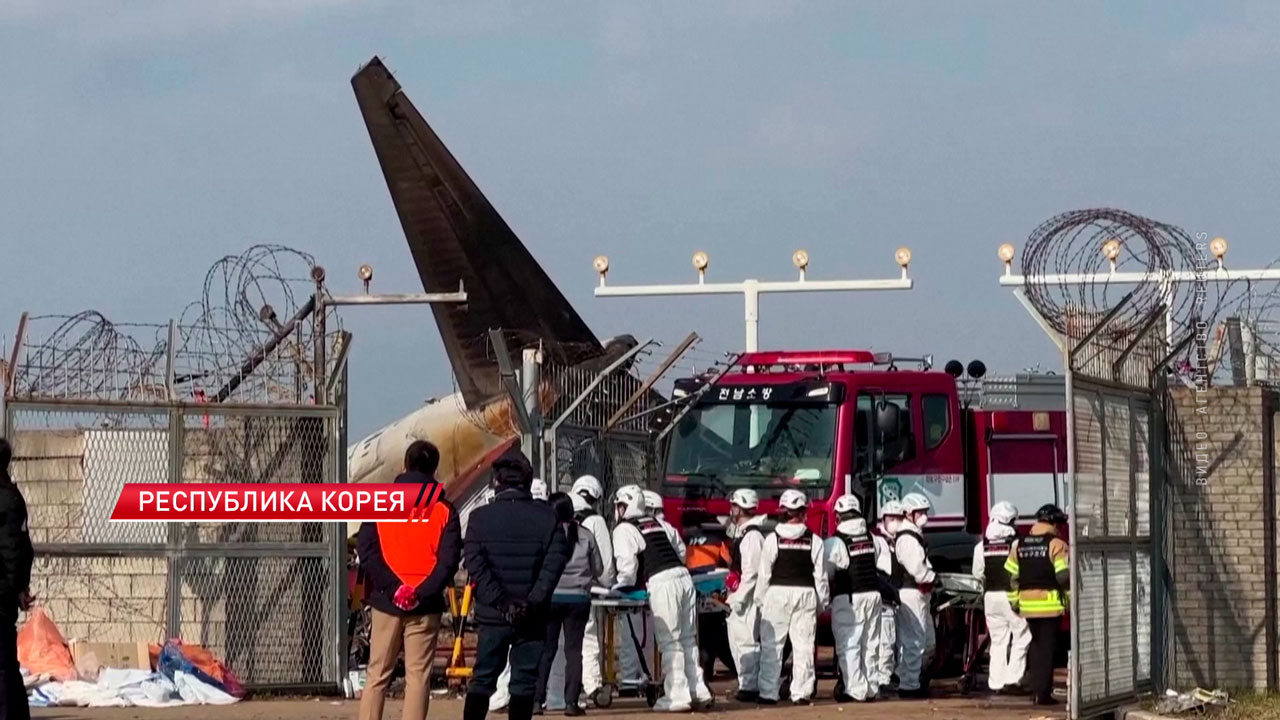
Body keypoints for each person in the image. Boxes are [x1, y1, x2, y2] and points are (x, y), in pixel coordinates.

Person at [463, 448, 571, 720]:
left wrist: (501, 601)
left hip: (493, 615)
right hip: (532, 617)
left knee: (482, 680)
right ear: (528, 482)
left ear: (496, 481)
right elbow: (554, 564)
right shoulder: (548, 518)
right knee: (524, 682)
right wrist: (532, 601)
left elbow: (476, 566)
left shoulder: (479, 518)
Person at [357, 440, 461, 720]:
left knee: (377, 673)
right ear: (434, 470)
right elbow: (448, 561)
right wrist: (422, 591)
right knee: (418, 677)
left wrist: (394, 589)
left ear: (404, 465)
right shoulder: (444, 510)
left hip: (386, 600)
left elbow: (367, 551)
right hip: (425, 604)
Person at [612, 484, 713, 712]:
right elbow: (680, 552)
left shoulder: (624, 530)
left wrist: (620, 587)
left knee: (670, 640)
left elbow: (627, 568)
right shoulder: (660, 524)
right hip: (683, 578)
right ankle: (697, 690)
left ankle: (677, 694)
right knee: (688, 639)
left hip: (662, 582)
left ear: (623, 507)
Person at [756, 489, 828, 706]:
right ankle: (801, 693)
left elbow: (764, 575)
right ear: (804, 512)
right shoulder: (815, 541)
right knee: (804, 646)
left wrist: (761, 601)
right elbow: (821, 577)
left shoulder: (772, 539)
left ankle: (768, 692)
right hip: (806, 594)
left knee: (771, 645)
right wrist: (821, 603)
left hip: (776, 594)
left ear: (783, 512)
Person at [535, 492, 604, 717]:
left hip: (551, 597)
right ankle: (571, 703)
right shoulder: (586, 534)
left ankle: (536, 701)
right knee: (574, 652)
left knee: (547, 650)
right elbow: (599, 569)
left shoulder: (546, 534)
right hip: (579, 600)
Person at [1005, 503, 1069, 707]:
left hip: (1027, 606)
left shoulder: (1019, 544)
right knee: (1048, 650)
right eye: (1058, 522)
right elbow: (1062, 577)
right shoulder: (1057, 544)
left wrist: (1014, 601)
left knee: (1036, 646)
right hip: (1050, 606)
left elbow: (1012, 577)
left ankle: (1035, 691)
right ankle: (1043, 695)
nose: (1059, 527)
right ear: (1052, 522)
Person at [824, 494, 883, 703]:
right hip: (873, 595)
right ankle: (871, 688)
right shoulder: (872, 537)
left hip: (849, 597)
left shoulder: (835, 542)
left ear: (839, 516)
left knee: (849, 644)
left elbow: (827, 573)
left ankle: (855, 689)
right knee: (871, 642)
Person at [973, 501, 1030, 695]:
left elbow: (977, 573)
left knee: (998, 641)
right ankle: (1012, 679)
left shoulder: (982, 546)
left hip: (990, 597)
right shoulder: (1016, 544)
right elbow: (1022, 571)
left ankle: (995, 682)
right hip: (1010, 595)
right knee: (1022, 635)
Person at [570, 475, 615, 704]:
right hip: (583, 587)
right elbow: (605, 565)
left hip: (554, 588)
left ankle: (556, 689)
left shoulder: (556, 510)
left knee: (558, 643)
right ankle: (592, 686)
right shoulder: (594, 521)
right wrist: (607, 586)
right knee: (587, 637)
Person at [0, 439, 33, 720]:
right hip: (5, 593)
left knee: (4, 665)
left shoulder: (8, 500)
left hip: (2, 594)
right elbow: (20, 549)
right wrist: (20, 586)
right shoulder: (10, 498)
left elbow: (14, 549)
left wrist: (16, 587)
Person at [724, 488, 766, 702]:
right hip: (740, 597)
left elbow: (752, 573)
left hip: (747, 601)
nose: (731, 510)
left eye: (733, 506)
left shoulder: (752, 537)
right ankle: (746, 683)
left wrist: (738, 599)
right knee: (739, 641)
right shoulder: (745, 534)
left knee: (747, 641)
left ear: (740, 508)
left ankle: (750, 686)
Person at [894, 492, 936, 699]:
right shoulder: (908, 539)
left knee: (926, 641)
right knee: (914, 641)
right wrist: (935, 578)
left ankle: (914, 679)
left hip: (919, 594)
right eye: (921, 512)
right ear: (909, 514)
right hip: (912, 593)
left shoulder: (913, 536)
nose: (924, 516)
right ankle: (909, 685)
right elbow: (918, 570)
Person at [871, 500, 902, 695]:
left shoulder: (902, 540)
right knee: (885, 641)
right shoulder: (877, 540)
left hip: (897, 597)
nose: (895, 522)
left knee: (896, 641)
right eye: (891, 518)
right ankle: (883, 678)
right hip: (884, 598)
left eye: (899, 518)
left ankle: (893, 675)